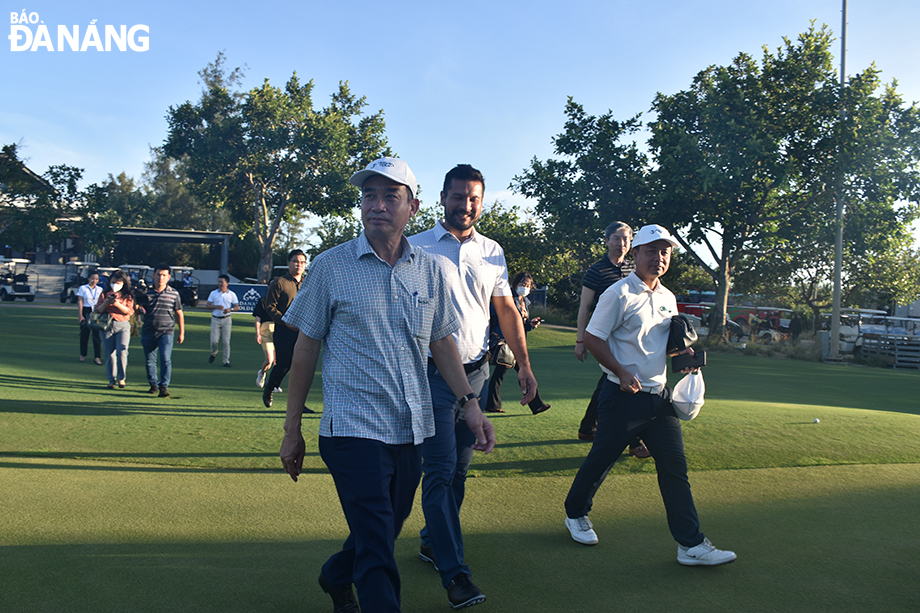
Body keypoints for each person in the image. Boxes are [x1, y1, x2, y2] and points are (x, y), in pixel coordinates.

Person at [278, 157, 495, 613]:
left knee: (383, 528)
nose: (377, 205)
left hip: (410, 428)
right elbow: (304, 349)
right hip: (351, 429)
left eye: (390, 197)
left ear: (412, 207)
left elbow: (442, 342)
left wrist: (470, 403)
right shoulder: (330, 266)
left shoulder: (431, 270)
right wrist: (291, 427)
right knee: (378, 545)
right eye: (369, 196)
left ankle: (336, 575)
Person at [564, 224, 737, 567]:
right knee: (602, 459)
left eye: (665, 252)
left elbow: (669, 345)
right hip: (621, 396)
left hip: (660, 399)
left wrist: (688, 363)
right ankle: (575, 513)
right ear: (637, 253)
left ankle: (691, 544)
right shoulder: (617, 293)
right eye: (652, 251)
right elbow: (595, 338)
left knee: (675, 469)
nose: (659, 258)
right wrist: (622, 371)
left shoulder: (668, 297)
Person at [408, 164, 538, 609]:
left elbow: (506, 313)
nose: (466, 205)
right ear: (442, 197)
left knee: (460, 471)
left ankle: (431, 540)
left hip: (478, 374)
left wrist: (523, 364)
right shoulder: (416, 246)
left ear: (482, 201)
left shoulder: (492, 251)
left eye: (474, 198)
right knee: (440, 472)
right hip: (429, 376)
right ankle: (455, 574)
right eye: (458, 196)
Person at [574, 222, 650, 458]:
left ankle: (588, 427)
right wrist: (580, 340)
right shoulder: (596, 271)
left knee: (611, 380)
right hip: (605, 337)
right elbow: (585, 306)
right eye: (617, 238)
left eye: (626, 239)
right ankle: (634, 440)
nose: (622, 244)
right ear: (607, 241)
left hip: (629, 337)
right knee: (623, 380)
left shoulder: (633, 269)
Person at [485, 272, 551, 415]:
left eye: (527, 285)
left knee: (500, 375)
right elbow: (497, 316)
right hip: (506, 342)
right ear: (515, 284)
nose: (525, 288)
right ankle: (536, 405)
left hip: (516, 344)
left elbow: (521, 325)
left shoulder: (525, 302)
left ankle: (492, 404)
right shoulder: (507, 299)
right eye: (522, 284)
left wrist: (531, 324)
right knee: (517, 372)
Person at [262, 249, 307, 408]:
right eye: (295, 261)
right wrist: (285, 321)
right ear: (288, 263)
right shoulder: (279, 283)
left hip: (304, 331)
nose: (299, 265)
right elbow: (270, 307)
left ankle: (299, 404)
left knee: (302, 367)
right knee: (283, 364)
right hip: (284, 330)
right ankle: (269, 389)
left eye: (302, 262)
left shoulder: (307, 283)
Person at [140, 264, 185, 398]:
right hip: (149, 330)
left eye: (164, 275)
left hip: (166, 330)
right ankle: (153, 384)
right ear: (153, 276)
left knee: (165, 358)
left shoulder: (174, 293)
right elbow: (138, 310)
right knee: (149, 360)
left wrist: (182, 332)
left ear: (169, 277)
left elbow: (179, 313)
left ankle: (164, 386)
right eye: (158, 274)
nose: (161, 278)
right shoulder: (146, 292)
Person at [95, 270, 135, 389]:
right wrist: (107, 302)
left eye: (118, 282)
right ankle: (111, 380)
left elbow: (129, 311)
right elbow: (98, 310)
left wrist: (117, 304)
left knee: (122, 351)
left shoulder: (127, 296)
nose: (115, 285)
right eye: (113, 282)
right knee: (110, 353)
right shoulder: (105, 293)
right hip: (107, 325)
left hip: (122, 324)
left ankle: (121, 378)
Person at [205, 274, 239, 367]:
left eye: (222, 282)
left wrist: (230, 309)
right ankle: (214, 353)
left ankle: (226, 361)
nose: (219, 283)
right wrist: (216, 306)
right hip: (215, 319)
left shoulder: (231, 294)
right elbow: (207, 306)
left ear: (227, 283)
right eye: (219, 281)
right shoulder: (213, 293)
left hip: (226, 319)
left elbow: (237, 307)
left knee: (226, 341)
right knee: (214, 341)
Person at [76, 271, 103, 365]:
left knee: (97, 336)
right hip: (86, 310)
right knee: (84, 334)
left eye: (96, 279)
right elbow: (80, 301)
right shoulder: (83, 288)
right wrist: (80, 315)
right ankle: (83, 354)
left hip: (96, 311)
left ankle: (97, 357)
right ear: (88, 279)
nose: (94, 281)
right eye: (92, 278)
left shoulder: (100, 289)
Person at [252, 297, 275, 389]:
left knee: (277, 362)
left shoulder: (281, 300)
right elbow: (258, 318)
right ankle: (262, 373)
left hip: (278, 330)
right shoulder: (263, 301)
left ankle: (274, 385)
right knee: (269, 360)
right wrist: (257, 333)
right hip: (266, 331)